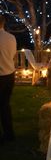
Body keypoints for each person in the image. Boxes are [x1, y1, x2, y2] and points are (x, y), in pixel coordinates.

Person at [0, 14, 17, 143]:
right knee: (5, 105)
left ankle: (7, 135)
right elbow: (13, 56)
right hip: (9, 76)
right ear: (3, 23)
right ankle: (9, 134)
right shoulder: (11, 37)